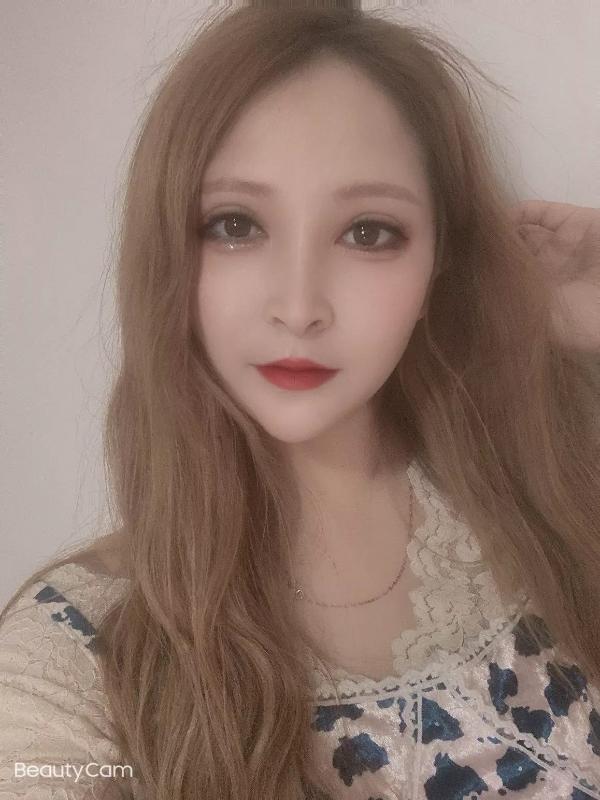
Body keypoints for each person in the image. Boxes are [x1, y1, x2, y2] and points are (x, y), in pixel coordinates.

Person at [1, 1, 599, 798]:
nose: (298, 306)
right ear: (167, 252)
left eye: (368, 232)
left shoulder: (550, 488)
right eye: (235, 224)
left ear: (438, 268)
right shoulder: (79, 645)